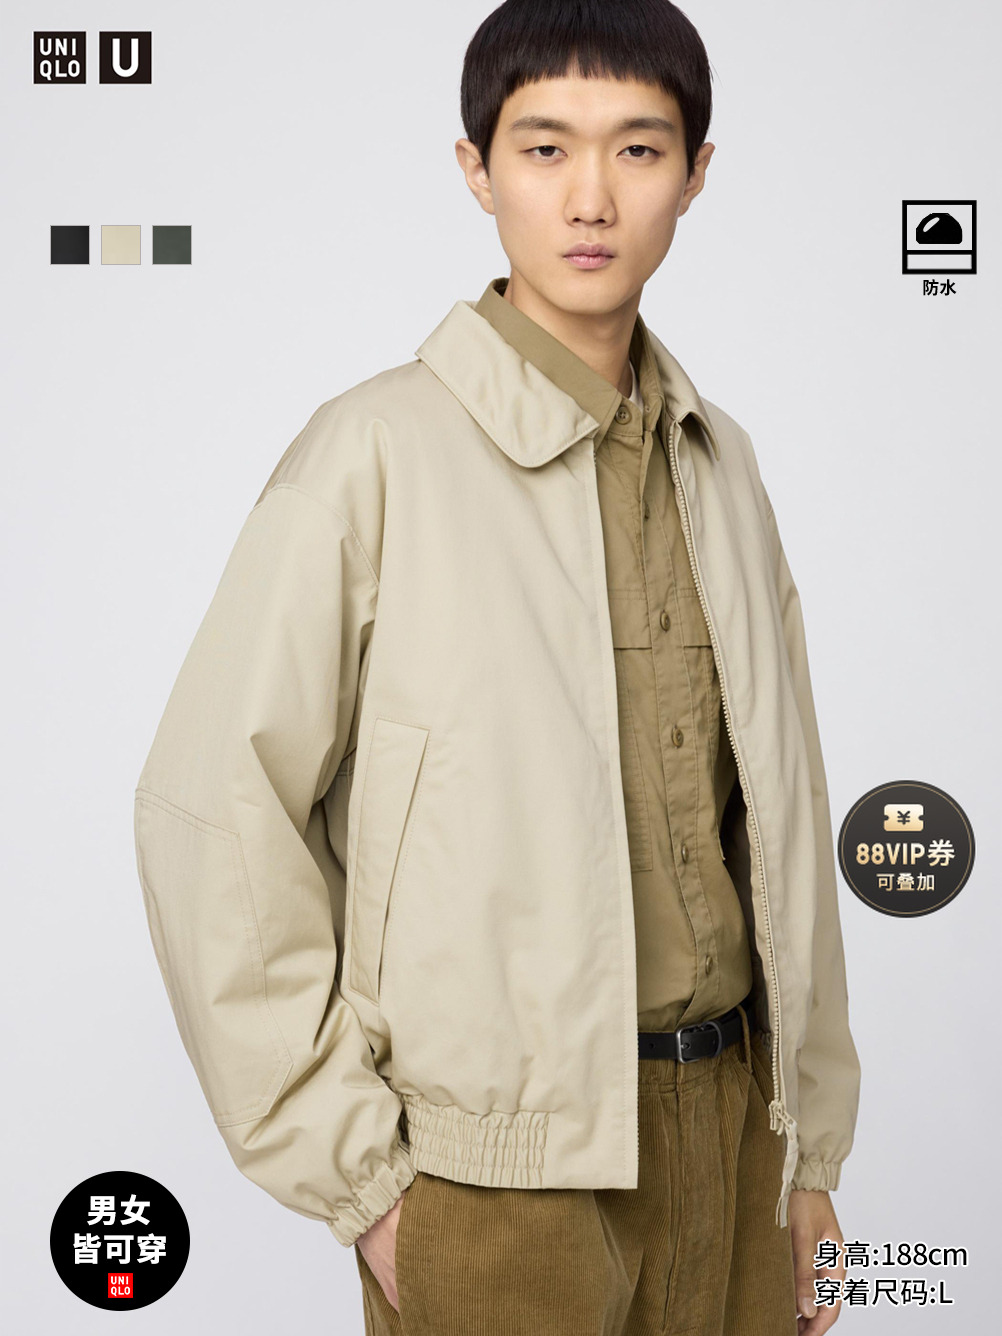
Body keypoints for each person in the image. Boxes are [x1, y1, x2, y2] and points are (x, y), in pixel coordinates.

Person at [133, 2, 860, 1332]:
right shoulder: (371, 454)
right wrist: (364, 1183)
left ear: (696, 172)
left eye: (637, 149)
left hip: (737, 1133)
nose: (590, 198)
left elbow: (783, 813)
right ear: (476, 169)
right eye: (543, 148)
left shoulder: (723, 463)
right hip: (491, 1179)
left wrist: (807, 1153)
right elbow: (210, 815)